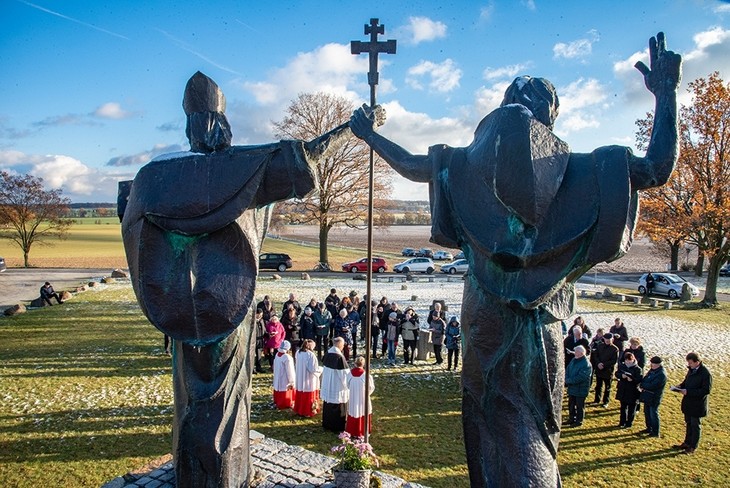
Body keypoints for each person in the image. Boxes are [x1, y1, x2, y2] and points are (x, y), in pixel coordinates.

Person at [672, 352, 712, 454]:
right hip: (688, 403)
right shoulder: (691, 371)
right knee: (688, 423)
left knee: (695, 425)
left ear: (697, 362)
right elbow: (686, 382)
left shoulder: (705, 374)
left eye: (690, 363)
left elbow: (705, 390)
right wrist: (680, 386)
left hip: (697, 405)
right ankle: (687, 442)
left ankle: (693, 446)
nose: (689, 365)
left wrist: (688, 392)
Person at [320, 337, 350, 432]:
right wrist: (348, 385)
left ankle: (327, 423)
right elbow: (344, 374)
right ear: (340, 345)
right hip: (337, 385)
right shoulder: (339, 357)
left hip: (328, 383)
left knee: (328, 405)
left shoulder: (328, 353)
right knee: (338, 406)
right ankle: (337, 426)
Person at [346, 356, 375, 437]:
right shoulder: (366, 375)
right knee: (363, 411)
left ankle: (352, 430)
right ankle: (362, 431)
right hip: (363, 398)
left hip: (353, 396)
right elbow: (371, 387)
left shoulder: (350, 374)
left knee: (353, 411)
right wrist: (366, 394)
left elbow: (347, 385)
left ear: (355, 363)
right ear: (363, 364)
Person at [638, 356, 667, 437]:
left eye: (653, 364)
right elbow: (645, 379)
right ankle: (649, 428)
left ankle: (655, 431)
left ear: (658, 364)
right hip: (647, 395)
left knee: (653, 414)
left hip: (654, 397)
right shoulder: (652, 371)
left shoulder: (661, 374)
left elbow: (653, 385)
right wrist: (644, 384)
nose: (652, 365)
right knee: (647, 412)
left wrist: (643, 385)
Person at [564, 345, 592, 428]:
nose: (574, 353)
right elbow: (568, 369)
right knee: (571, 404)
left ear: (581, 353)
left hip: (581, 389)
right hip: (572, 388)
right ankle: (571, 418)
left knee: (580, 406)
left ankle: (579, 421)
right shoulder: (574, 360)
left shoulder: (586, 364)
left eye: (576, 352)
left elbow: (581, 377)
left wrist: (568, 381)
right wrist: (566, 378)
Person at [614, 351, 643, 428]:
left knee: (631, 408)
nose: (628, 362)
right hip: (623, 389)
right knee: (623, 407)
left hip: (632, 391)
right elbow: (617, 373)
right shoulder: (622, 366)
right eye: (626, 360)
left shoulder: (638, 369)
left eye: (629, 360)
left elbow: (639, 379)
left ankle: (629, 423)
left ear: (633, 360)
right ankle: (622, 422)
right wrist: (621, 376)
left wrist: (632, 379)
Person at [294, 340, 322, 417]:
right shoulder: (310, 355)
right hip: (308, 379)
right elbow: (313, 369)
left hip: (300, 376)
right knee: (309, 394)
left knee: (301, 393)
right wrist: (321, 369)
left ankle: (299, 409)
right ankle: (308, 411)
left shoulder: (298, 353)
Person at [593, 333, 619, 407]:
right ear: (604, 339)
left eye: (609, 339)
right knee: (598, 386)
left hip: (608, 370)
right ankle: (597, 400)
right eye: (606, 339)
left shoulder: (615, 349)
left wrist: (603, 365)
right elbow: (596, 355)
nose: (607, 341)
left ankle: (605, 402)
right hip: (599, 369)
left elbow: (614, 361)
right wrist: (598, 363)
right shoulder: (600, 346)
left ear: (612, 340)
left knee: (607, 388)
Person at [272, 341, 296, 410]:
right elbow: (290, 370)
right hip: (284, 378)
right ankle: (286, 403)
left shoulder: (277, 355)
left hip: (277, 377)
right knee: (284, 388)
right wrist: (292, 381)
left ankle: (277, 402)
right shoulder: (287, 358)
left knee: (279, 388)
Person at [253, 308, 266, 373]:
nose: (260, 316)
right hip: (253, 341)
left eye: (261, 315)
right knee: (252, 356)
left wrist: (268, 335)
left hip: (260, 340)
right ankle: (252, 368)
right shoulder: (252, 321)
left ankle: (258, 367)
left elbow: (264, 330)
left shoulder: (261, 321)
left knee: (259, 356)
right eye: (259, 315)